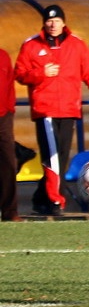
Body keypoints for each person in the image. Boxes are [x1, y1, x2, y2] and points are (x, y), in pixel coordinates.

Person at [14, 5, 89, 216]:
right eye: (49, 21)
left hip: (69, 108)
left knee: (60, 156)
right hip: (46, 109)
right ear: (44, 23)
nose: (53, 24)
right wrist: (40, 73)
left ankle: (41, 198)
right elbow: (20, 73)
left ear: (64, 22)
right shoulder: (31, 45)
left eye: (57, 20)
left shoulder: (76, 44)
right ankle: (56, 201)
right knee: (52, 157)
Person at [0, 47, 20, 221]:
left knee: (8, 163)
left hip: (3, 117)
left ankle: (10, 212)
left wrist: (9, 110)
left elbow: (9, 85)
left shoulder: (3, 56)